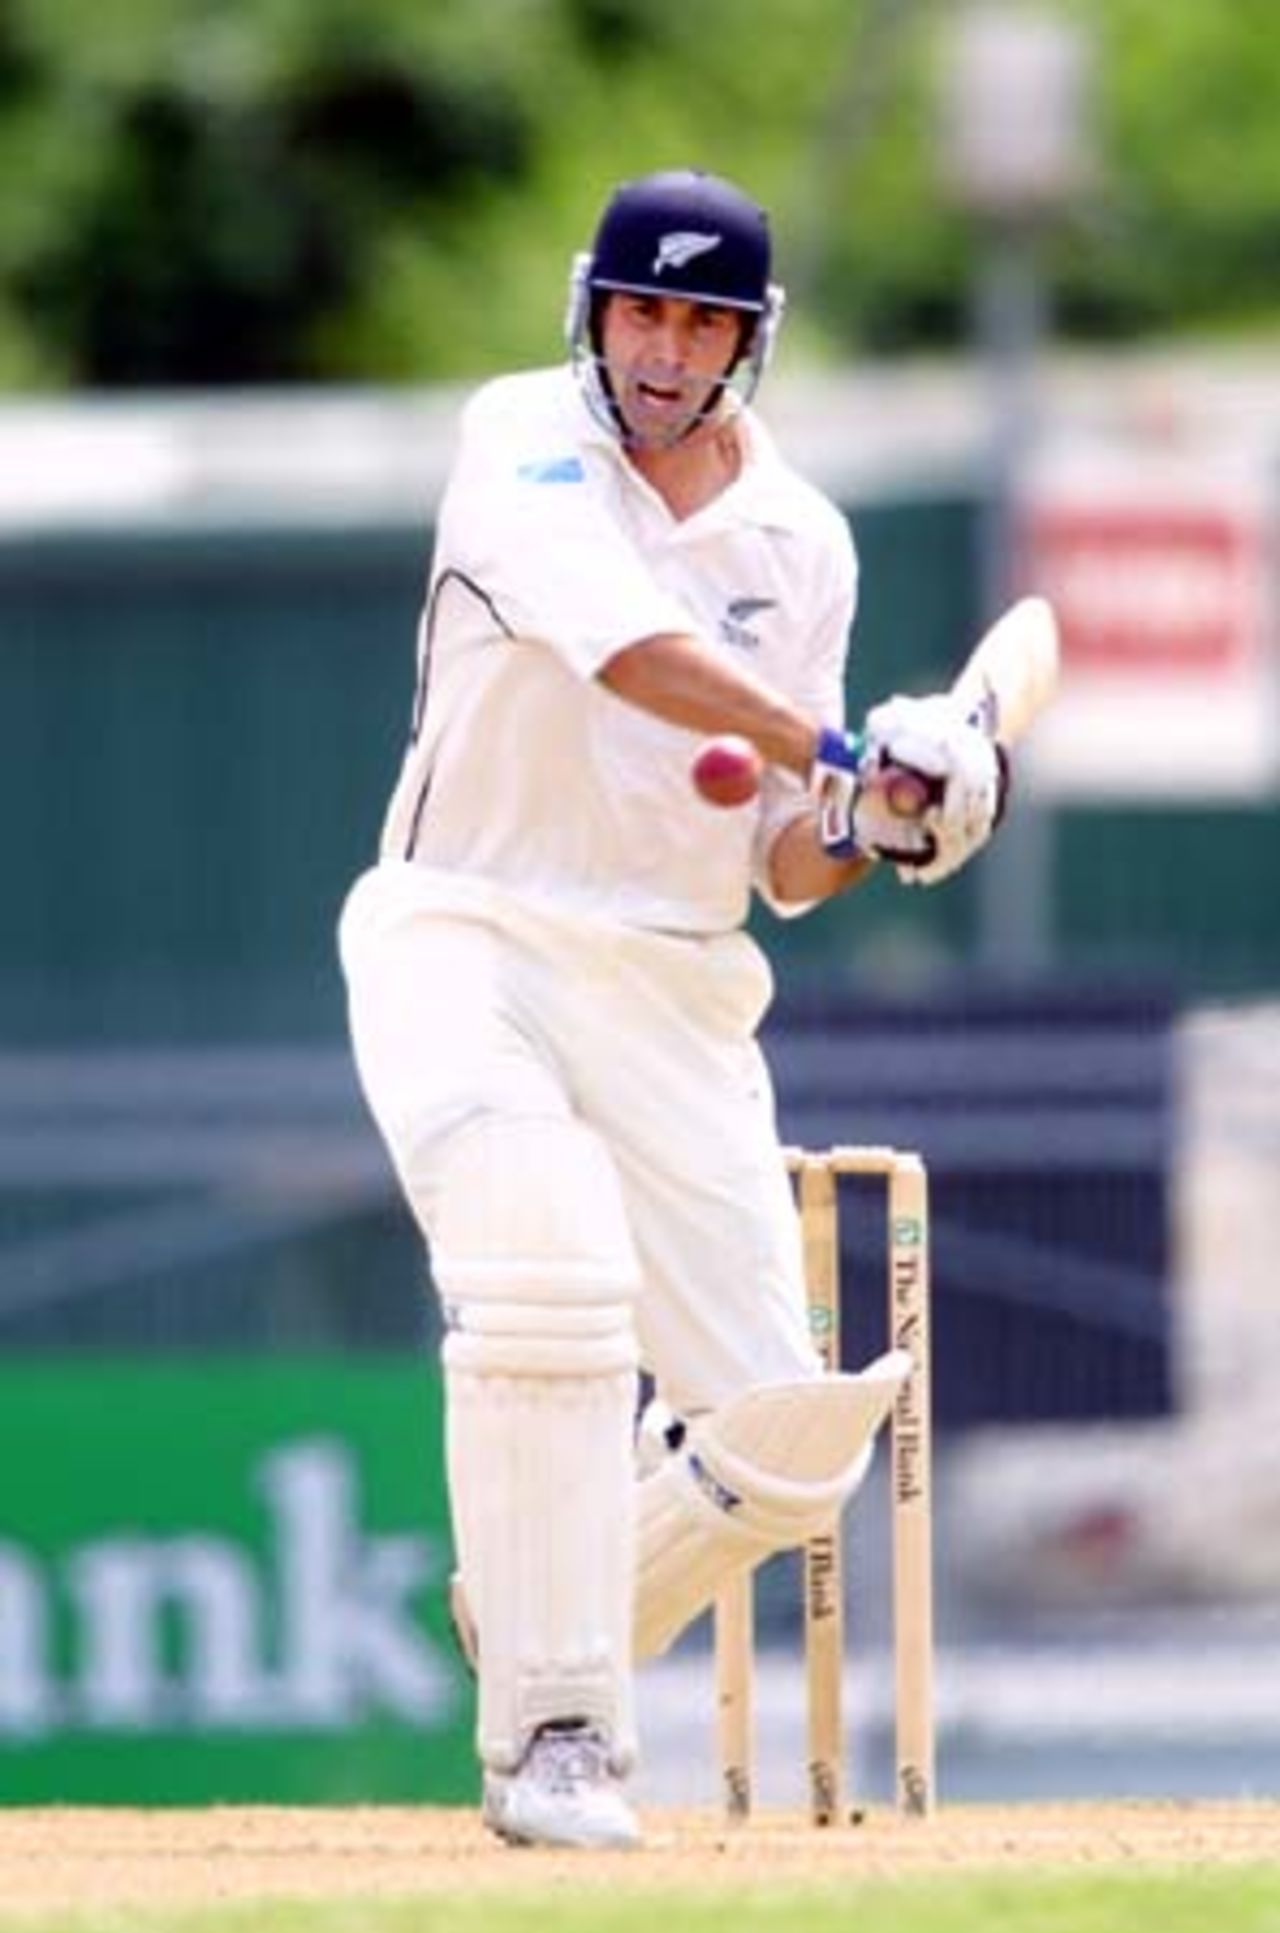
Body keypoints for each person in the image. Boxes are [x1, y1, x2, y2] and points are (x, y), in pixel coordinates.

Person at [338, 168, 1004, 1849]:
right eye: (642, 309)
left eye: (702, 323)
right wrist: (848, 748)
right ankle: (556, 1734)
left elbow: (783, 858)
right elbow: (629, 649)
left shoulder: (802, 540)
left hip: (677, 987)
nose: (663, 350)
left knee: (790, 1437)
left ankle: (537, 1604)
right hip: (468, 931)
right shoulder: (520, 441)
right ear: (595, 307)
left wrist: (889, 822)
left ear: (747, 341)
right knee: (545, 1264)